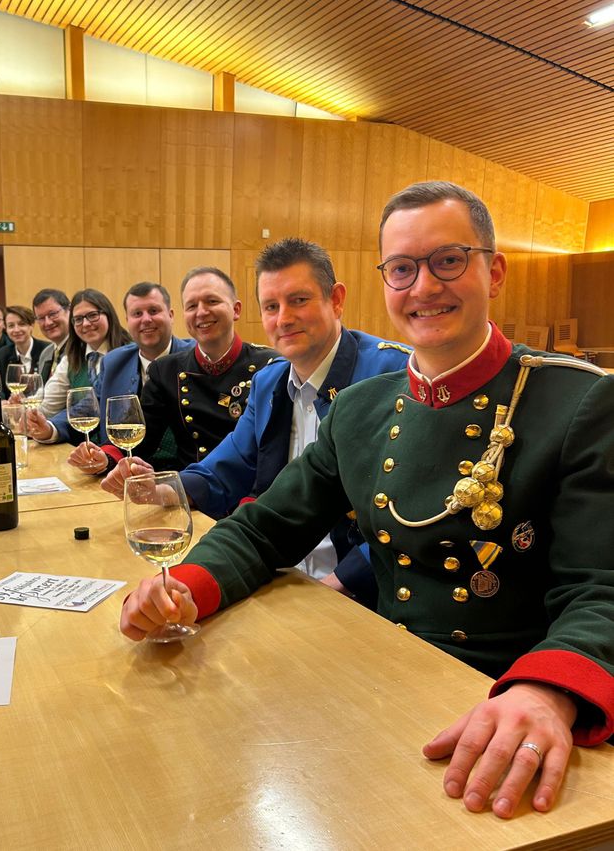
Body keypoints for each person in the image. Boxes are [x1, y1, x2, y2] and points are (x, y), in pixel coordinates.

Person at [120, 182, 614, 819]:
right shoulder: (360, 409)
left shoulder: (576, 401)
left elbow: (601, 587)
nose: (423, 286)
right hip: (383, 678)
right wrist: (181, 587)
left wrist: (549, 691)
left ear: (494, 271)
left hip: (512, 700)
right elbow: (264, 528)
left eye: (448, 260)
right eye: (403, 268)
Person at [100, 239, 410, 597]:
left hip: (363, 591)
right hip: (280, 574)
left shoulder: (393, 374)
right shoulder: (269, 382)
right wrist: (158, 490)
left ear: (336, 300)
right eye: (271, 306)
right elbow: (224, 468)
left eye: (299, 300)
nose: (283, 319)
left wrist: (341, 583)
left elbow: (409, 521)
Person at [68, 267, 274, 472]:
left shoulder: (270, 365)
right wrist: (105, 457)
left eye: (212, 301)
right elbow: (142, 438)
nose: (201, 312)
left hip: (251, 494)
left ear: (236, 309)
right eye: (192, 305)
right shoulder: (166, 370)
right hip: (190, 491)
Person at [30, 282, 193, 446]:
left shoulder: (195, 357)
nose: (146, 319)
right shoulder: (115, 362)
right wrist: (50, 428)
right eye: (137, 313)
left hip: (185, 469)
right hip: (121, 464)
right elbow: (89, 408)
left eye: (153, 311)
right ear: (127, 320)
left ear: (171, 315)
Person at [29, 289, 131, 423]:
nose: (86, 324)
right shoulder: (71, 357)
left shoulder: (131, 353)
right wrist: (26, 415)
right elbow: (48, 405)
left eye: (93, 315)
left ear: (109, 315)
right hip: (81, 441)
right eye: (78, 319)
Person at [0, 306, 49, 397]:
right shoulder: (3, 353)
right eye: (11, 326)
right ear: (6, 329)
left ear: (31, 325)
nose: (16, 330)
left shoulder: (47, 350)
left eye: (22, 324)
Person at [32, 288, 70, 381]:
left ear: (69, 310)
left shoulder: (81, 350)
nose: (47, 323)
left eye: (52, 314)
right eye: (41, 318)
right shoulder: (46, 354)